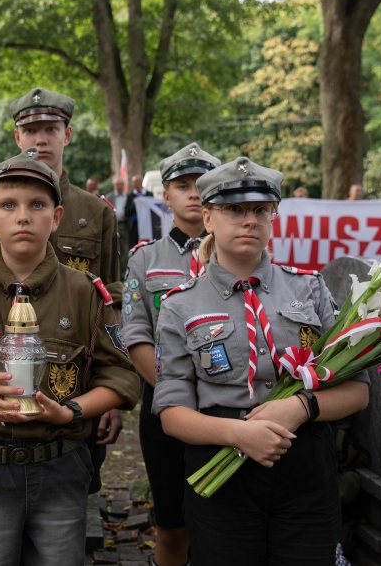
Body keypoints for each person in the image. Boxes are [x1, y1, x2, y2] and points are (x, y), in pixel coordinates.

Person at [0, 149, 140, 566]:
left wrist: (70, 411)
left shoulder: (85, 293)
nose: (22, 217)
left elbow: (121, 377)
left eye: (37, 206)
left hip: (60, 464)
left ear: (56, 218)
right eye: (8, 206)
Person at [153, 157, 370, 565]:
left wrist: (301, 406)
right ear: (209, 217)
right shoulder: (180, 305)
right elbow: (171, 412)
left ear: (273, 217)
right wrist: (239, 435)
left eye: (260, 210)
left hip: (305, 461)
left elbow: (358, 389)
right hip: (220, 466)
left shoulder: (310, 288)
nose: (249, 220)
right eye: (234, 209)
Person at [0, 87, 125, 491]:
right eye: (30, 129)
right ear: (17, 137)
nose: (40, 139)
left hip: (75, 389)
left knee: (71, 504)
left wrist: (110, 399)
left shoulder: (96, 212)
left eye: (50, 128)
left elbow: (112, 300)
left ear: (67, 135)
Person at [122, 142, 220, 566]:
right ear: (166, 196)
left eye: (203, 184)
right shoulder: (145, 260)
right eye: (183, 185)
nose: (194, 193)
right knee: (172, 527)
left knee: (224, 524)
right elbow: (135, 334)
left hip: (228, 409)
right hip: (164, 412)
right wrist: (173, 395)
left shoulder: (240, 257)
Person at [105, 176, 130, 275]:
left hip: (126, 225)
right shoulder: (109, 197)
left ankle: (125, 271)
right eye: (117, 184)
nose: (119, 186)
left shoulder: (128, 196)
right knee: (115, 247)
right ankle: (116, 271)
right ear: (114, 186)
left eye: (121, 184)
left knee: (126, 248)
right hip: (114, 225)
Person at [126, 174, 152, 247]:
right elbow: (127, 212)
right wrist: (134, 205)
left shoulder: (149, 195)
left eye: (136, 182)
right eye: (133, 182)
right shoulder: (130, 196)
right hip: (134, 226)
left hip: (146, 226)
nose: (134, 185)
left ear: (141, 182)